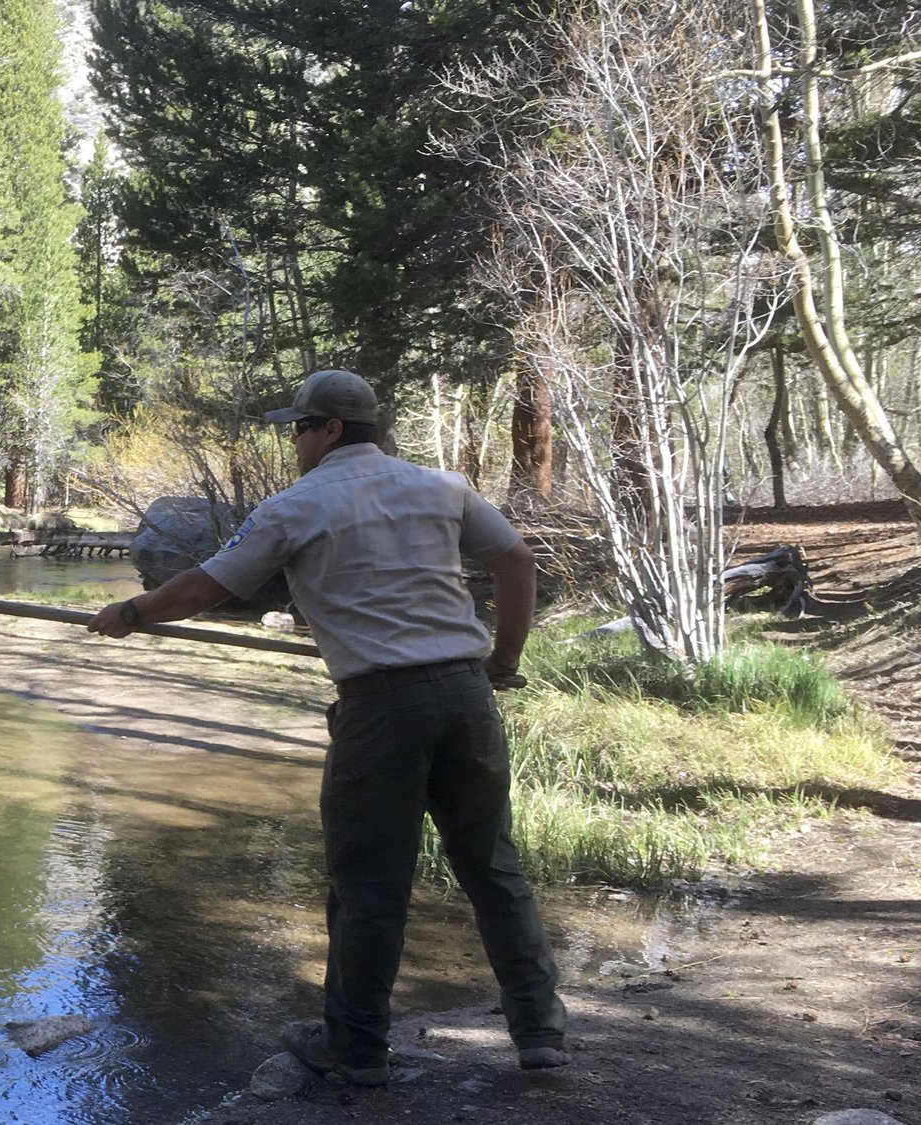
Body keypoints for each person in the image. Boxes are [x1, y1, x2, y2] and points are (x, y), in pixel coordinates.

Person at [88, 368, 569, 1086]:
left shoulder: (296, 505)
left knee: (368, 884)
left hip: (381, 710)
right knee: (493, 869)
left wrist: (128, 614)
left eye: (300, 428)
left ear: (331, 430)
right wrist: (503, 658)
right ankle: (539, 1033)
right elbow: (516, 558)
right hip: (468, 697)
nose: (294, 441)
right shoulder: (443, 487)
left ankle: (356, 1046)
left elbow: (204, 588)